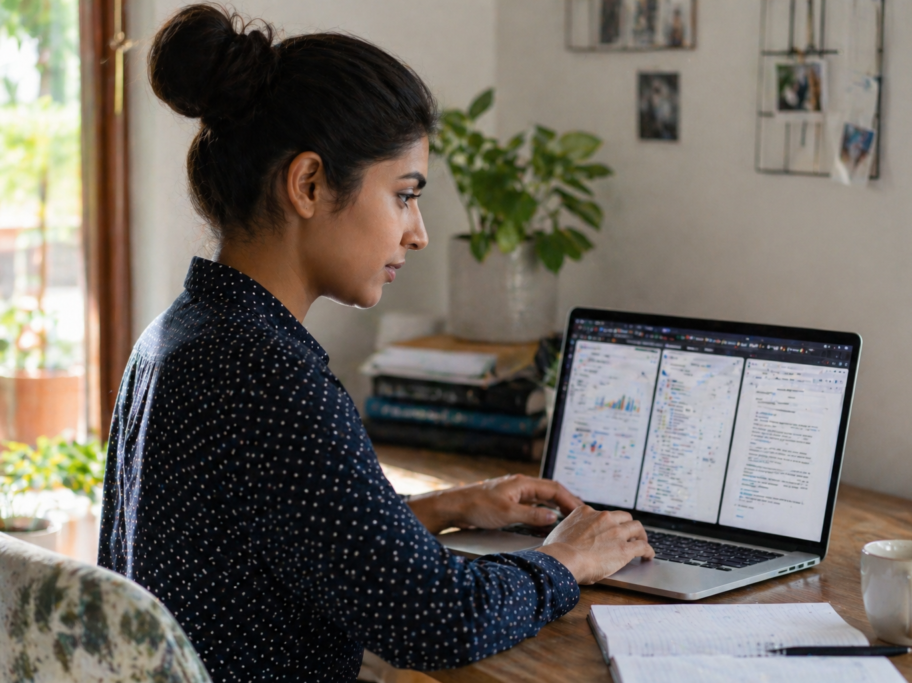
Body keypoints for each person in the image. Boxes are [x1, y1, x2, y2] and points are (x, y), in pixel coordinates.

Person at [97, 5, 653, 683]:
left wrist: (447, 505)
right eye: (404, 195)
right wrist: (569, 558)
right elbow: (437, 621)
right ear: (308, 184)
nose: (416, 232)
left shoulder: (181, 335)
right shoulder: (266, 374)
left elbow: (270, 541)